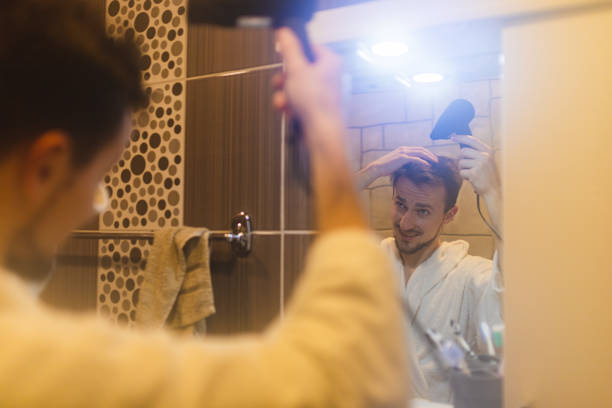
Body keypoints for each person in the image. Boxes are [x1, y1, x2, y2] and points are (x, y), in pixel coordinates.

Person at [0, 0, 409, 406]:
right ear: (46, 169)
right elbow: (352, 383)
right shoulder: (25, 355)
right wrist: (325, 128)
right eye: (96, 181)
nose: (94, 208)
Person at [357, 141, 504, 403]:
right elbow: (297, 232)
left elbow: (510, 319)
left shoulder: (469, 276)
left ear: (449, 215)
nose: (406, 222)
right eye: (401, 204)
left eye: (422, 211)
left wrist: (493, 193)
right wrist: (371, 171)